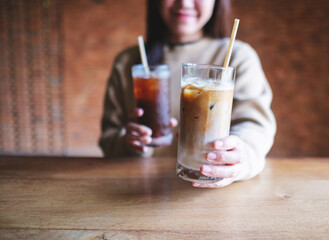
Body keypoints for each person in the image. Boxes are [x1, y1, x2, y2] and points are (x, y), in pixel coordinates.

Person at [99, 0, 276, 188]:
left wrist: (238, 159)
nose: (184, 3)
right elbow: (109, 138)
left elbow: (255, 127)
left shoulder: (237, 56)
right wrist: (129, 143)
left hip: (217, 196)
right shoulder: (129, 62)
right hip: (138, 189)